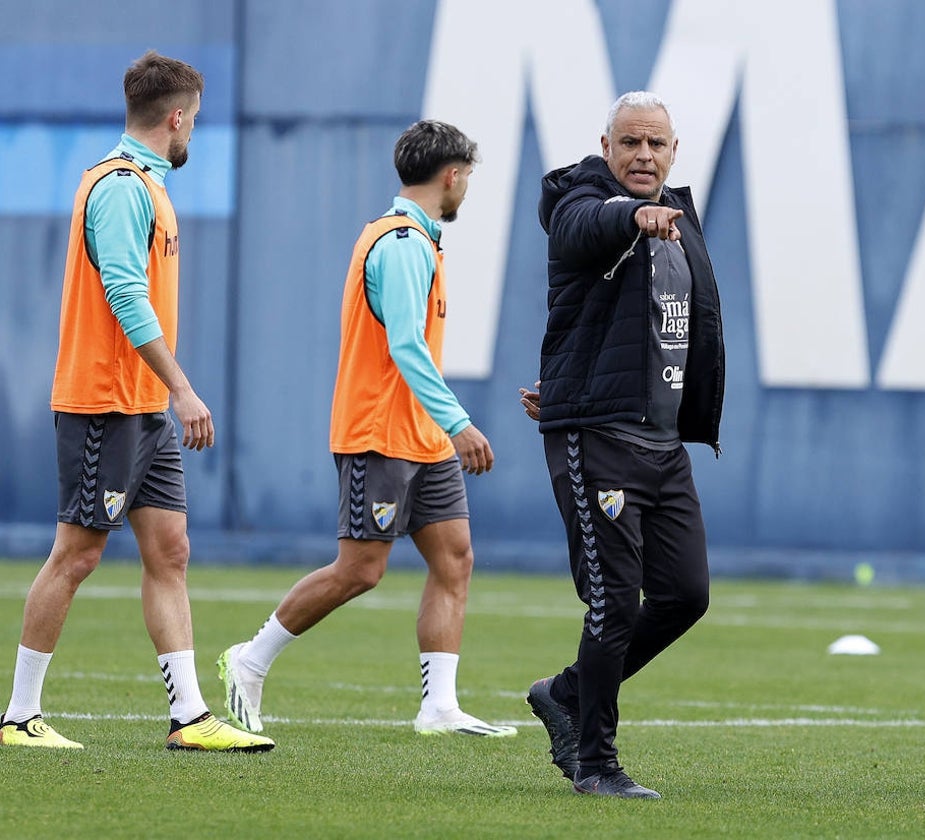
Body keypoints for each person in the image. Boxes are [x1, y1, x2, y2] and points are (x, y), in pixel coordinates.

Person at [0, 51, 273, 753]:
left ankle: (189, 716)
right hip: (105, 403)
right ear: (176, 117)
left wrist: (165, 393)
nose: (193, 136)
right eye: (194, 123)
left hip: (142, 405)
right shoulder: (121, 187)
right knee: (78, 553)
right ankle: (18, 715)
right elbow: (124, 292)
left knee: (170, 551)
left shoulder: (145, 184)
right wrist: (182, 387)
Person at [217, 120, 515, 739]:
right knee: (360, 569)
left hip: (420, 437)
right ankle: (250, 658)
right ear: (452, 175)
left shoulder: (421, 240)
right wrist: (458, 423)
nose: (467, 191)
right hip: (380, 433)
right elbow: (406, 345)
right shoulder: (402, 243)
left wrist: (440, 430)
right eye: (468, 179)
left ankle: (439, 706)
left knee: (454, 558)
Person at [521, 91, 725, 799]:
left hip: (662, 445)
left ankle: (567, 693)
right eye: (630, 143)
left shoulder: (681, 219)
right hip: (599, 438)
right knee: (613, 599)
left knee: (686, 595)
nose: (643, 156)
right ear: (606, 147)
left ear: (675, 151)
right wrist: (631, 214)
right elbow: (579, 229)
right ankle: (597, 763)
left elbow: (670, 329)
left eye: (656, 145)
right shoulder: (583, 201)